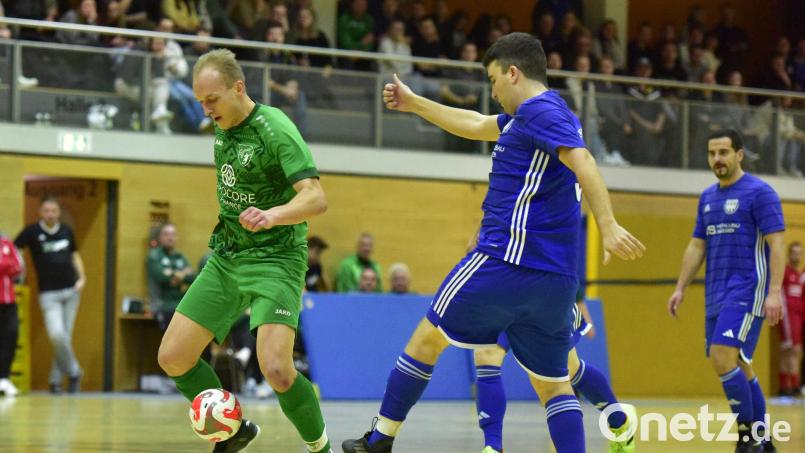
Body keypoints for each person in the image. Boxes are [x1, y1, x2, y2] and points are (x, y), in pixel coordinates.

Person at [342, 32, 645, 453]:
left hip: (505, 261)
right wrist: (415, 103)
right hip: (556, 280)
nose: (493, 91)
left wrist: (608, 225)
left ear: (514, 73)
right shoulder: (532, 119)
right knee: (554, 383)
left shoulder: (540, 110)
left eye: (493, 80)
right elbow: (475, 124)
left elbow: (585, 161)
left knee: (426, 340)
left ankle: (380, 440)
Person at [157, 49, 332, 453]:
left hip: (276, 257)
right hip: (227, 255)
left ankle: (320, 448)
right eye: (201, 101)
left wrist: (273, 215)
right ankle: (235, 433)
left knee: (277, 370)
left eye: (212, 100)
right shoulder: (222, 126)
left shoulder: (275, 129)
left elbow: (316, 199)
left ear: (239, 88)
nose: (205, 110)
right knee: (174, 357)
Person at [668, 129, 784, 453]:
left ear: (739, 154)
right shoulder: (707, 198)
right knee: (739, 363)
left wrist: (775, 292)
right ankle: (763, 440)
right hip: (715, 292)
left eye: (723, 152)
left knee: (722, 356)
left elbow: (777, 244)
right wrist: (680, 288)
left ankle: (747, 439)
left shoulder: (760, 193)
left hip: (748, 288)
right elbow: (696, 245)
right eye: (712, 154)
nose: (717, 159)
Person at [472, 294, 635, 453]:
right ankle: (493, 445)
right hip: (503, 288)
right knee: (486, 354)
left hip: (546, 289)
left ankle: (620, 422)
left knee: (567, 373)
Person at [14, 197, 86, 394]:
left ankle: (55, 381)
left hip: (71, 291)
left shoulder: (66, 231)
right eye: (46, 210)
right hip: (48, 293)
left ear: (58, 213)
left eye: (53, 210)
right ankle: (74, 372)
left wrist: (82, 278)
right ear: (40, 212)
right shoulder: (32, 232)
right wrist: (19, 275)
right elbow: (15, 250)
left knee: (65, 338)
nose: (50, 214)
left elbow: (74, 254)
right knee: (57, 335)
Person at [146, 223, 195, 331]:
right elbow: (162, 278)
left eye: (173, 234)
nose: (170, 237)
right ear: (160, 237)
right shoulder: (154, 256)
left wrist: (174, 275)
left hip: (181, 305)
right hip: (162, 306)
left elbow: (193, 278)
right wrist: (182, 274)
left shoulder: (180, 256)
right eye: (166, 234)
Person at [0, 232, 23, 397]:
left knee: (10, 335)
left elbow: (17, 267)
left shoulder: (7, 243)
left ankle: (4, 378)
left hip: (8, 301)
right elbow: (7, 266)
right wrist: (5, 266)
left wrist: (4, 265)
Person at [780, 242, 804, 396]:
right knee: (791, 349)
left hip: (799, 317)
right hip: (788, 317)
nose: (796, 256)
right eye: (794, 252)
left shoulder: (801, 275)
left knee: (794, 350)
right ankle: (790, 386)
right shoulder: (785, 272)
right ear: (789, 254)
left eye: (799, 253)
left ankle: (790, 385)